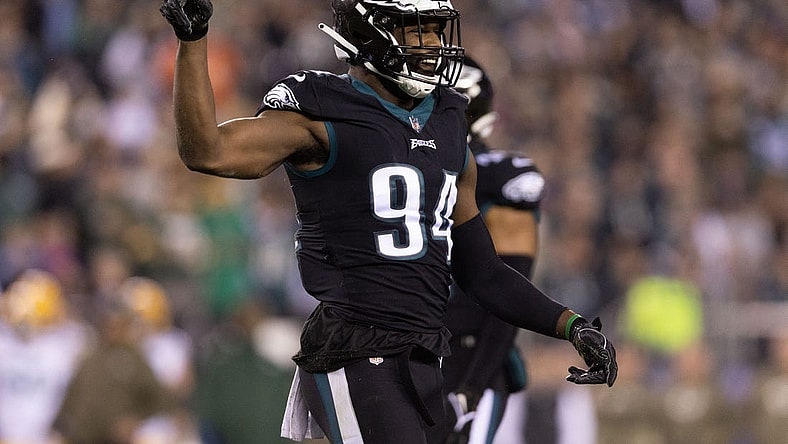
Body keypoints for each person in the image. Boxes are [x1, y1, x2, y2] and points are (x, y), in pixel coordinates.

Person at [159, 1, 618, 442]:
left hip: (424, 350)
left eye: (437, 29)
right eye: (418, 28)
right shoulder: (323, 110)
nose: (433, 43)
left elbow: (484, 273)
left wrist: (571, 326)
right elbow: (207, 151)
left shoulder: (448, 122)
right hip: (354, 345)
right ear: (369, 33)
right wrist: (193, 40)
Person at [441, 56, 544, 444]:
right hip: (403, 350)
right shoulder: (394, 163)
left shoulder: (503, 176)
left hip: (466, 356)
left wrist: (472, 386)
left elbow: (506, 293)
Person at [0, 269, 94, 444]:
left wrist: (65, 430)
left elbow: (83, 392)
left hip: (45, 437)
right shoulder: (4, 344)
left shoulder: (64, 346)